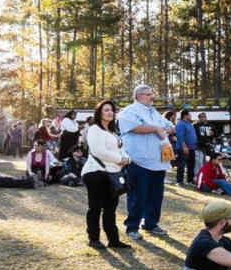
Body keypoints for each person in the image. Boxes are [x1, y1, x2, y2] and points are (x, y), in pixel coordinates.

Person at [119, 84, 174, 239]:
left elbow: (169, 126)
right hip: (139, 161)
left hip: (158, 161)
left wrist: (166, 128)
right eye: (149, 94)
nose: (152, 97)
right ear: (139, 96)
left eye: (152, 93)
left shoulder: (153, 112)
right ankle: (132, 227)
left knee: (156, 195)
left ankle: (151, 223)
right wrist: (157, 129)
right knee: (138, 195)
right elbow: (135, 127)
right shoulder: (129, 111)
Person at [82, 99, 132, 249]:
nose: (110, 112)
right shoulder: (94, 129)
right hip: (95, 173)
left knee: (111, 209)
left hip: (113, 174)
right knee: (95, 207)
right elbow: (98, 151)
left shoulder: (113, 131)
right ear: (99, 113)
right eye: (106, 110)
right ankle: (94, 238)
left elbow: (121, 149)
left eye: (112, 110)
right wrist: (119, 159)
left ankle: (114, 240)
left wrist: (127, 158)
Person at [174, 109, 198, 186]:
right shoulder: (180, 124)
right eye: (189, 114)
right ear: (185, 115)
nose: (190, 116)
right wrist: (184, 147)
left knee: (191, 165)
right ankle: (179, 181)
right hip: (183, 148)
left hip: (191, 148)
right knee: (181, 165)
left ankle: (190, 180)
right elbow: (180, 136)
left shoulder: (189, 123)